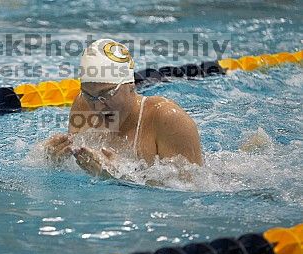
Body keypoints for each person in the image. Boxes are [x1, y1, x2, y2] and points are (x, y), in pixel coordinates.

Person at [44, 38, 202, 178]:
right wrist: (54, 160)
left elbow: (189, 192)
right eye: (89, 95)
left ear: (130, 85)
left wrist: (119, 178)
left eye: (107, 93)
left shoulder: (169, 120)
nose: (97, 107)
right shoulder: (83, 104)